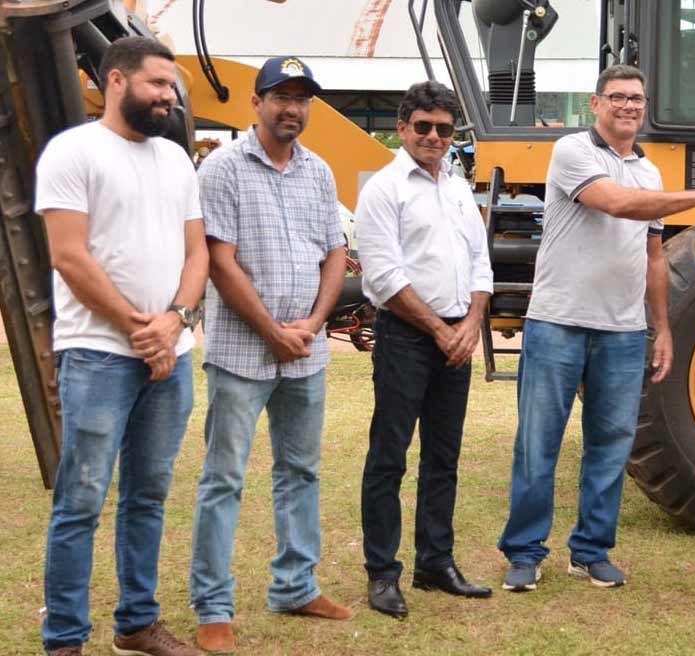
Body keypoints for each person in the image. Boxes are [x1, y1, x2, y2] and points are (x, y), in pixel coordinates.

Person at [497, 64, 695, 592]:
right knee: (538, 443)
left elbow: (654, 256)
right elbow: (616, 204)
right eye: (618, 98)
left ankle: (590, 551)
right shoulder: (572, 153)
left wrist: (663, 328)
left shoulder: (651, 172)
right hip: (559, 322)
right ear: (596, 104)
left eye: (636, 98)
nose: (628, 106)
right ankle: (524, 552)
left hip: (623, 331)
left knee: (610, 445)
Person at [35, 36, 208, 656]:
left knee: (149, 495)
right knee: (80, 498)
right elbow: (69, 255)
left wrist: (177, 321)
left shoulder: (176, 160)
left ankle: (137, 623)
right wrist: (143, 328)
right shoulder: (73, 152)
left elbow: (198, 254)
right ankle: (65, 641)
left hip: (172, 357)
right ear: (115, 80)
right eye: (158, 84)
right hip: (96, 356)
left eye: (172, 86)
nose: (169, 96)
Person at [189, 56, 350, 653]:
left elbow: (334, 252)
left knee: (301, 472)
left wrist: (311, 323)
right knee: (224, 479)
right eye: (280, 96)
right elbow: (220, 261)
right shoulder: (224, 168)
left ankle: (295, 585)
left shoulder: (319, 171)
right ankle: (213, 608)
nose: (292, 108)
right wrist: (271, 329)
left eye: (302, 98)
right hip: (241, 353)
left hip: (305, 353)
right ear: (255, 103)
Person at [354, 80, 494, 620]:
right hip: (408, 338)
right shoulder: (384, 189)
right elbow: (384, 276)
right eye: (423, 127)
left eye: (444, 128)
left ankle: (435, 562)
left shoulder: (457, 187)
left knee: (444, 457)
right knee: (389, 457)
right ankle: (382, 573)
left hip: (456, 335)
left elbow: (479, 262)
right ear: (402, 128)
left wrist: (472, 322)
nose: (434, 137)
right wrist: (440, 330)